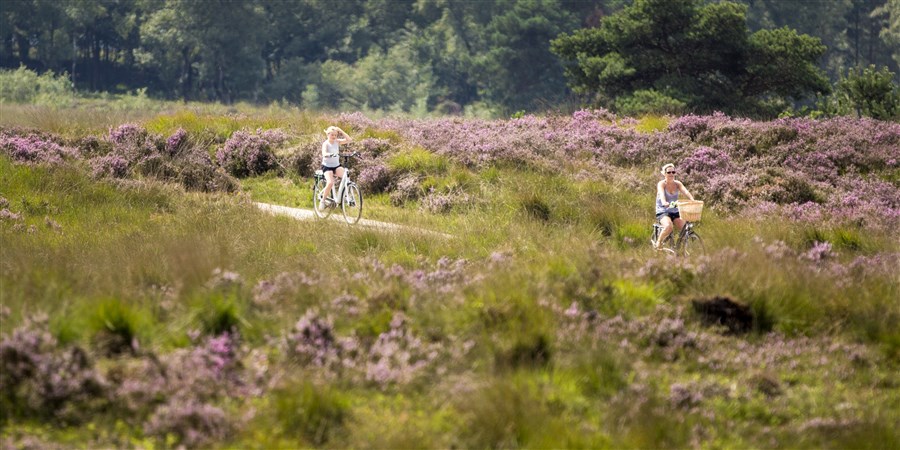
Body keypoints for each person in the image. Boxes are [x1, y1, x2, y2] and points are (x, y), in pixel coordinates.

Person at [655, 163, 695, 250]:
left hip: (675, 210)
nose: (671, 174)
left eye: (673, 172)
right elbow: (661, 194)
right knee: (668, 226)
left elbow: (686, 191)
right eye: (669, 172)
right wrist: (664, 202)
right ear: (664, 173)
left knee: (684, 228)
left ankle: (682, 249)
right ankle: (659, 242)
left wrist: (692, 199)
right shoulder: (661, 184)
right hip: (663, 210)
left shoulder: (677, 183)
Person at [319, 126, 352, 210]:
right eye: (332, 135)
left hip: (336, 166)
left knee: (346, 176)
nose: (334, 137)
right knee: (330, 183)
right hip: (327, 166)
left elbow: (349, 140)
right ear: (328, 134)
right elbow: (324, 153)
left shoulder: (337, 142)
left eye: (335, 135)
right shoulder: (326, 143)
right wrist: (328, 154)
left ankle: (346, 195)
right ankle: (322, 201)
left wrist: (341, 130)